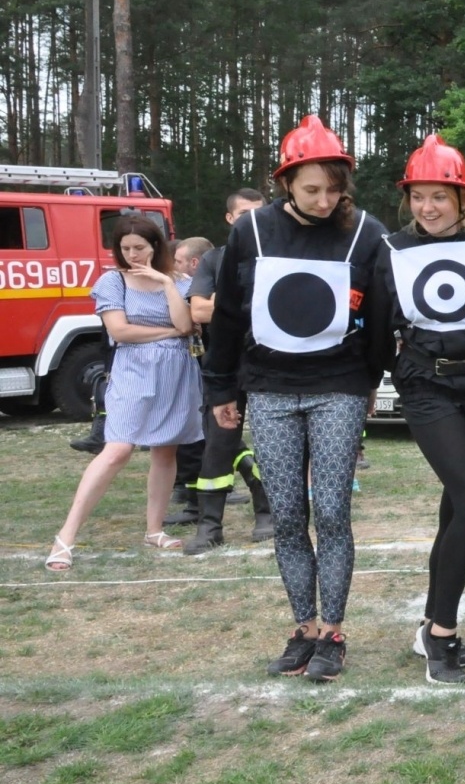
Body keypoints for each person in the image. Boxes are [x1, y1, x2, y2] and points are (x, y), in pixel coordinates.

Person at [205, 116, 389, 682]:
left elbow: (380, 317)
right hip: (270, 390)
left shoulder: (365, 232)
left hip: (338, 389)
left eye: (335, 189)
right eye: (312, 189)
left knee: (332, 512)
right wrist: (222, 387)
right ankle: (302, 627)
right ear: (286, 182)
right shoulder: (252, 231)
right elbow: (230, 316)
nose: (324, 199)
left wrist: (367, 384)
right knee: (287, 516)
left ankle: (332, 632)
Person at [370, 134, 465, 683]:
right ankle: (441, 635)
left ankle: (432, 618)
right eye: (419, 197)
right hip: (428, 390)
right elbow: (379, 323)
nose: (428, 207)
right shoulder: (390, 249)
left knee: (456, 508)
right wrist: (397, 373)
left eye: (440, 197)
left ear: (462, 199)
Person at [46, 216, 203, 570]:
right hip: (133, 370)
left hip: (177, 372)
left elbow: (185, 324)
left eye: (139, 248)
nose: (132, 255)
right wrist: (168, 334)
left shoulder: (179, 282)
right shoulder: (113, 281)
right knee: (117, 449)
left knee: (166, 450)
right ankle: (66, 536)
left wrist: (164, 282)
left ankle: (154, 529)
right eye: (125, 248)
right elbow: (121, 330)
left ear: (156, 247)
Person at [182, 189, 272, 554]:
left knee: (272, 445)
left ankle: (268, 514)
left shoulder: (277, 257)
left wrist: (225, 301)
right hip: (225, 366)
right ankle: (209, 526)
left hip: (271, 364)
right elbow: (199, 312)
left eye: (258, 213)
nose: (251, 220)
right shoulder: (214, 260)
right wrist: (246, 299)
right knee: (218, 445)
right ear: (230, 219)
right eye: (244, 213)